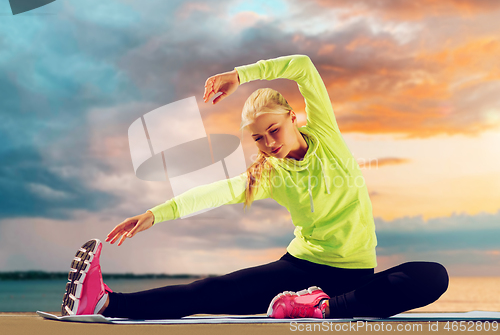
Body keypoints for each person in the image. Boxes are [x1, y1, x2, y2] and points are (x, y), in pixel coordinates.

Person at [61, 54, 449, 320]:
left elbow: (303, 66)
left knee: (433, 275)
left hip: (355, 278)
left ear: (293, 117)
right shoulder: (269, 173)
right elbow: (216, 191)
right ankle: (105, 303)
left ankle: (322, 308)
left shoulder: (327, 135)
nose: (269, 143)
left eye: (274, 130)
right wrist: (155, 214)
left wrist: (240, 74)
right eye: (258, 139)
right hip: (298, 270)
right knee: (209, 292)